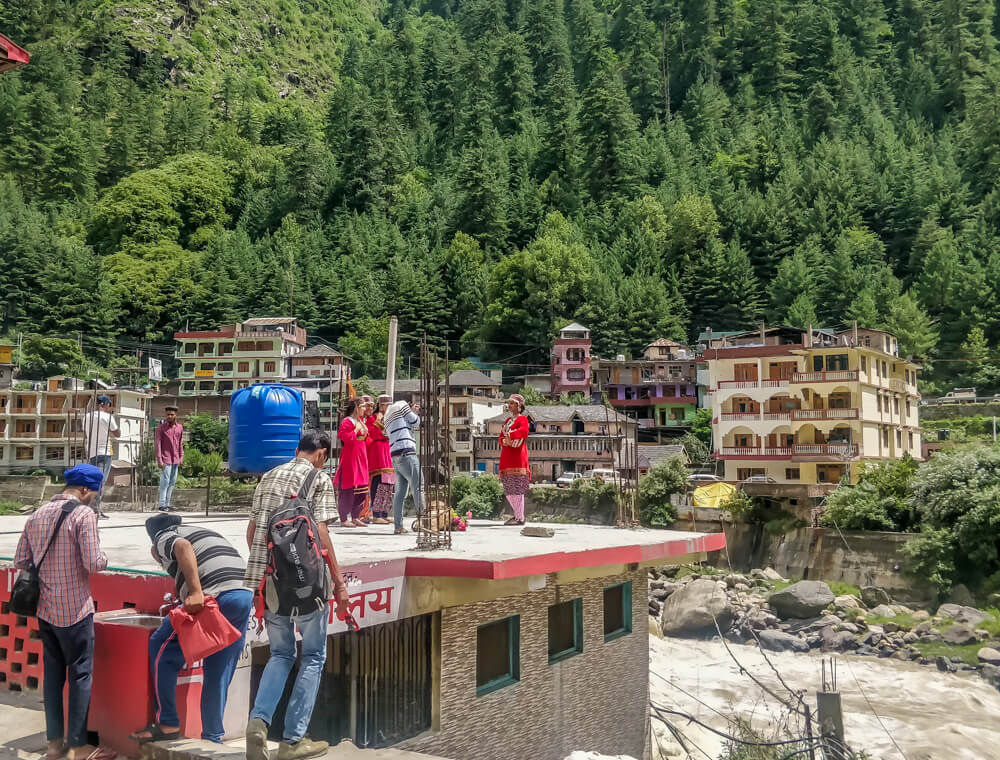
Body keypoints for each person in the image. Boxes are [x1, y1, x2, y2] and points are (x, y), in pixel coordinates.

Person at [244, 431, 350, 760]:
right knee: (314, 657)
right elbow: (320, 532)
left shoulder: (268, 476)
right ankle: (292, 740)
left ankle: (257, 725)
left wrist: (276, 569)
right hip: (309, 587)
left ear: (297, 450)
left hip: (270, 582)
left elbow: (252, 533)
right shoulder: (319, 478)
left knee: (280, 654)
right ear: (322, 454)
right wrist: (339, 582)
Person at [129, 514, 252, 745]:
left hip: (215, 596)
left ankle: (166, 724)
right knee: (219, 670)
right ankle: (213, 737)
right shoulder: (202, 533)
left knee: (161, 648)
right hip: (243, 595)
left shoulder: (165, 537)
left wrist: (195, 592)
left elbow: (182, 547)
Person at [14, 464, 107, 760]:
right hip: (75, 611)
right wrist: (105, 558)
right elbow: (93, 562)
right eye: (94, 492)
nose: (93, 497)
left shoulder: (37, 514)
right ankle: (78, 747)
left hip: (45, 611)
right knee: (80, 675)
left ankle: (55, 745)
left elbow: (21, 560)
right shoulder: (83, 515)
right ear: (84, 490)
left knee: (53, 676)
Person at [384, 400, 422, 535]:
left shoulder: (387, 415)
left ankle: (398, 526)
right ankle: (425, 521)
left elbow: (403, 424)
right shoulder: (402, 404)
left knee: (400, 493)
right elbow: (416, 421)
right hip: (407, 452)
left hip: (395, 454)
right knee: (418, 487)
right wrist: (415, 412)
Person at [81, 394, 119, 519]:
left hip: (91, 452)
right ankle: (95, 510)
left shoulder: (86, 417)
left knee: (92, 481)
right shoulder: (108, 417)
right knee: (99, 482)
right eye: (109, 405)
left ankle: (90, 508)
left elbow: (86, 432)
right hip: (104, 452)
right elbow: (117, 433)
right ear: (106, 404)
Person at [334, 398, 370, 528]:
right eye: (362, 407)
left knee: (362, 487)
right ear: (356, 407)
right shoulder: (347, 421)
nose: (364, 409)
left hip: (361, 455)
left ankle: (355, 516)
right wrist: (356, 430)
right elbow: (345, 438)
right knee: (348, 488)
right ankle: (344, 518)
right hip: (351, 456)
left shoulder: (360, 421)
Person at [499, 394, 530, 526]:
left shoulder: (522, 419)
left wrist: (510, 435)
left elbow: (524, 431)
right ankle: (518, 516)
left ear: (519, 406)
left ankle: (519, 517)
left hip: (517, 458)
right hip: (507, 457)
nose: (509, 405)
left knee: (517, 488)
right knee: (508, 489)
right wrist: (504, 441)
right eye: (509, 403)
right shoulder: (507, 421)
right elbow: (500, 437)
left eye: (512, 403)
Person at [366, 395, 395, 526]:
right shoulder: (373, 417)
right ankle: (376, 514)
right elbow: (372, 433)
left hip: (388, 450)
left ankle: (384, 513)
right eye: (387, 405)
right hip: (378, 451)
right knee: (378, 483)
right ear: (381, 405)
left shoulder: (391, 418)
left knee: (388, 484)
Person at [155, 407, 184, 513]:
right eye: (168, 414)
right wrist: (159, 459)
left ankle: (168, 503)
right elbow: (158, 444)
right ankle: (162, 504)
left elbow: (180, 443)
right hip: (165, 458)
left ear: (176, 415)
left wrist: (181, 457)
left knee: (172, 482)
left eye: (172, 414)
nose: (169, 416)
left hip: (176, 458)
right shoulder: (161, 428)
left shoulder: (180, 428)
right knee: (165, 482)